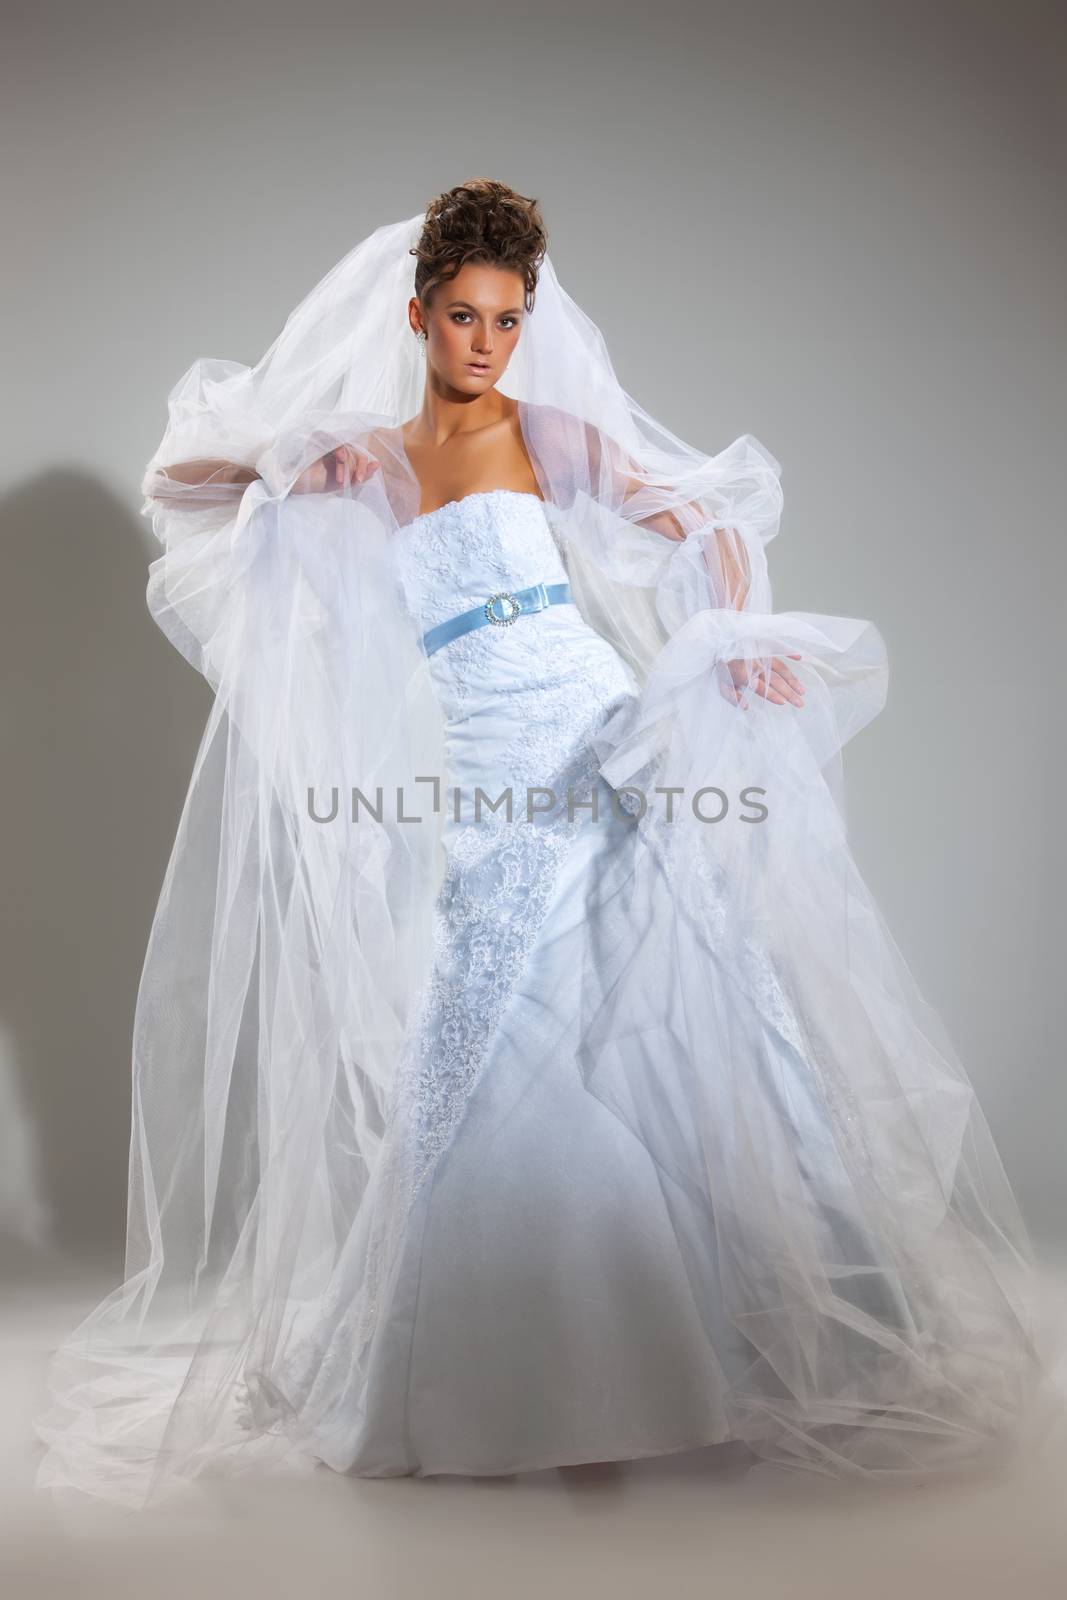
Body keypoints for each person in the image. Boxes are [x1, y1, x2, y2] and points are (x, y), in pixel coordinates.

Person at [33, 179, 1061, 1510]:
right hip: (492, 772)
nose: (487, 344)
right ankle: (540, 1375)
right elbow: (180, 485)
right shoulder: (378, 456)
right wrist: (290, 458)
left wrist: (732, 645)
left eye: (509, 320)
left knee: (680, 1011)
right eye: (464, 318)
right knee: (489, 1039)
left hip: (601, 736)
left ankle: (747, 1346)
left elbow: (704, 517)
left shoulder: (548, 434)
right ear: (418, 316)